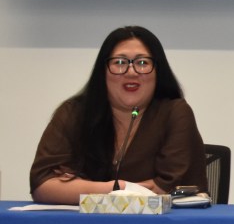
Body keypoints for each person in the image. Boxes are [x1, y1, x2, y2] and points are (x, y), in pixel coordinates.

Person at [30, 26, 208, 203]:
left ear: (158, 71)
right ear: (103, 71)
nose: (131, 72)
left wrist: (80, 188)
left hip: (159, 221)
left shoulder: (175, 113)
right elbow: (42, 186)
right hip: (84, 221)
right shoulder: (74, 113)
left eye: (142, 63)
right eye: (120, 62)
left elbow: (166, 189)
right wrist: (119, 188)